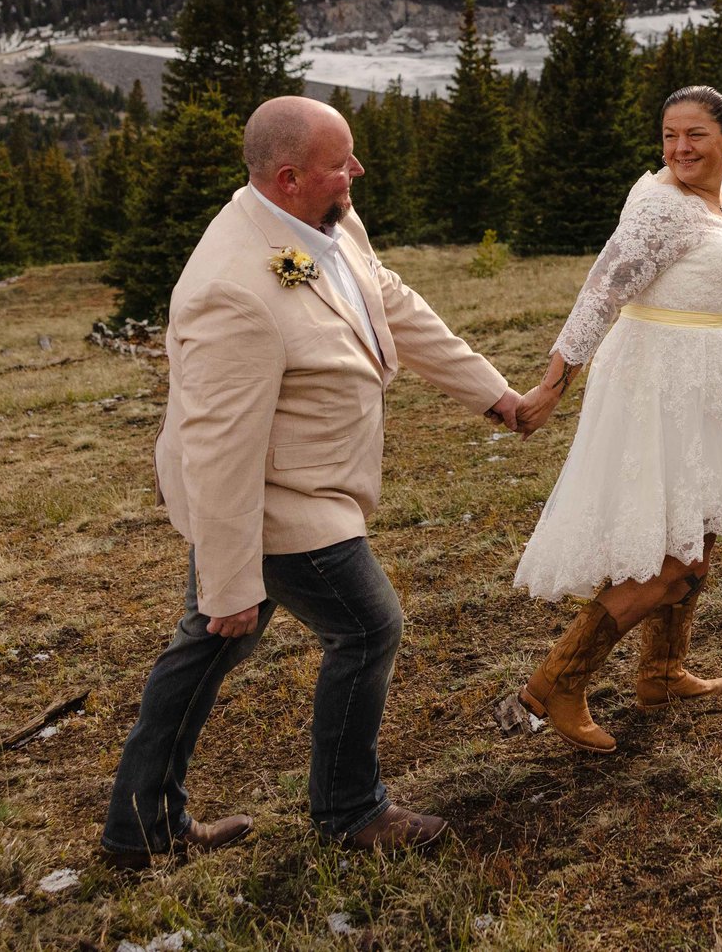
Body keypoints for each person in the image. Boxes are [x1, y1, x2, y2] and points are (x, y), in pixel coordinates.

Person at [100, 96, 519, 867]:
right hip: (278, 505)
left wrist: (492, 392)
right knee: (367, 627)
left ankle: (140, 827)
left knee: (204, 651)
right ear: (289, 176)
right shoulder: (231, 287)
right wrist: (229, 579)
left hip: (302, 490)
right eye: (342, 162)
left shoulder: (324, 222)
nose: (357, 171)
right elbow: (217, 448)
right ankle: (351, 810)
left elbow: (388, 300)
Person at [496, 85, 722, 751]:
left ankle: (661, 671)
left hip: (712, 381)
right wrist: (550, 387)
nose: (680, 148)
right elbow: (601, 294)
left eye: (696, 135)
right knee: (671, 557)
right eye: (669, 136)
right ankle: (553, 684)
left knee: (702, 533)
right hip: (662, 388)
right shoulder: (661, 204)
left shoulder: (720, 195)